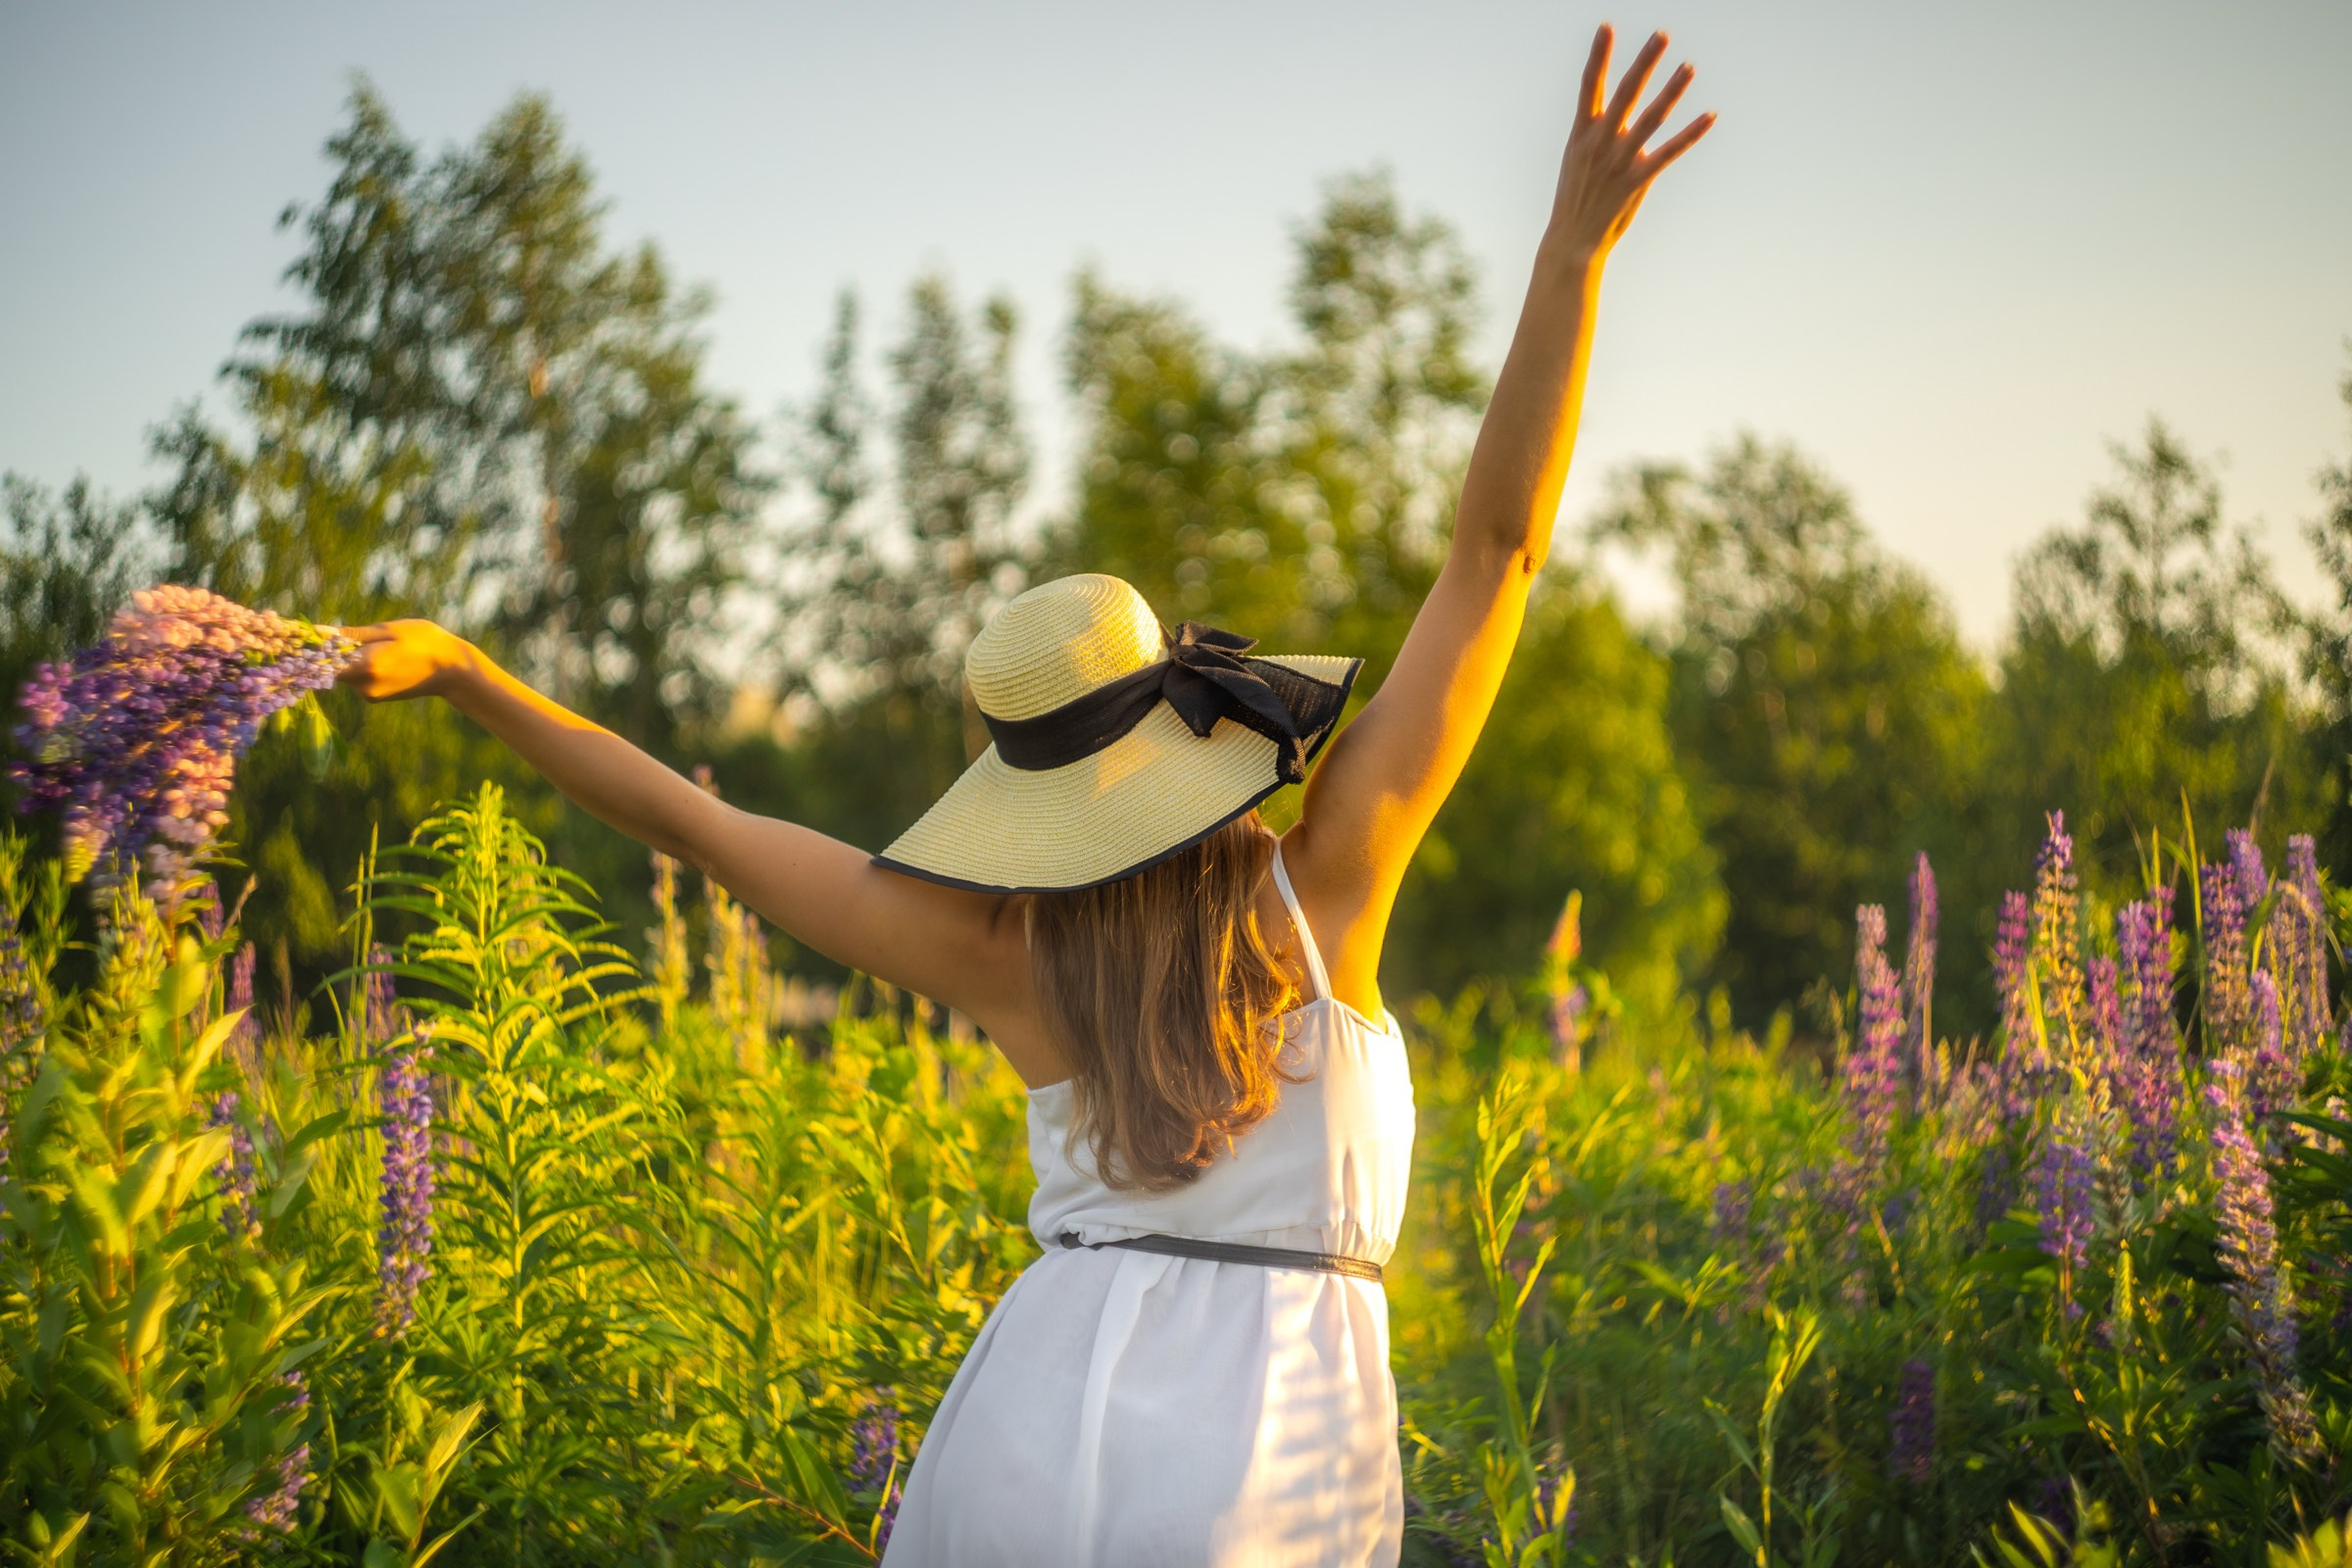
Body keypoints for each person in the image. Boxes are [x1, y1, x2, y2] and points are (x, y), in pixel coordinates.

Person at [337, 24, 1709, 1565]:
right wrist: (1573, 249)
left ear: (1038, 792)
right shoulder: (1325, 892)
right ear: (1197, 741)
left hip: (1025, 1435)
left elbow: (698, 828)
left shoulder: (1006, 956)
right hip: (1263, 1469)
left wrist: (469, 672)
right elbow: (1495, 555)